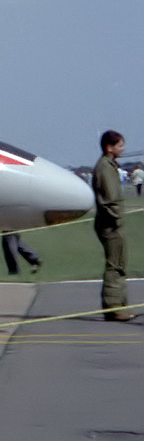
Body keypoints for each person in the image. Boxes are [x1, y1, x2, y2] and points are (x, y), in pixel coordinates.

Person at [93, 130, 132, 321]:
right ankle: (113, 307)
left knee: (120, 262)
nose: (123, 149)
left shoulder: (110, 166)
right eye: (119, 145)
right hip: (110, 225)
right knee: (115, 264)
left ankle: (120, 304)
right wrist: (117, 219)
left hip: (113, 223)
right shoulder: (105, 168)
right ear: (110, 148)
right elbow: (109, 201)